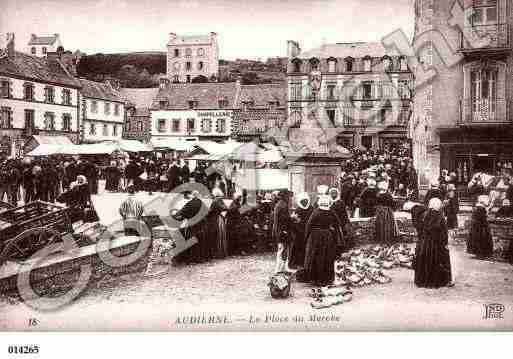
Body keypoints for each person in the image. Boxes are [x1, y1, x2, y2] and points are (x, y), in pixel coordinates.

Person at [302, 195, 344, 286]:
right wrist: (331, 230)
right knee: (326, 256)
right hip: (327, 236)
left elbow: (309, 225)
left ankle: (315, 278)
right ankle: (326, 278)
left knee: (315, 255)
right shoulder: (331, 212)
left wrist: (306, 237)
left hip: (315, 236)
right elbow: (338, 223)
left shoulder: (316, 212)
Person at [414, 198, 453, 288]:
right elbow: (443, 232)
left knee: (425, 261)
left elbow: (420, 228)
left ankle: (423, 280)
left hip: (425, 243)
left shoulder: (424, 215)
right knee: (438, 261)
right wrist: (445, 243)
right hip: (436, 243)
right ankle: (440, 281)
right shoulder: (440, 216)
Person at [172, 190, 209, 263]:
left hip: (192, 224)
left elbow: (181, 212)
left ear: (192, 195)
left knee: (192, 240)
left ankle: (193, 258)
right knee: (200, 240)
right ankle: (201, 258)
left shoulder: (190, 203)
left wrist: (174, 215)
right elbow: (207, 212)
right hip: (201, 225)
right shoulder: (202, 203)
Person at [272, 190, 294, 273]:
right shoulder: (283, 205)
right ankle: (279, 269)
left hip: (281, 231)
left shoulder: (280, 204)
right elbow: (284, 220)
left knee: (283, 249)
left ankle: (283, 267)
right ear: (285, 196)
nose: (289, 198)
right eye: (288, 196)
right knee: (282, 250)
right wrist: (292, 218)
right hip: (282, 231)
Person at [290, 192, 313, 269]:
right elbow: (294, 223)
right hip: (299, 233)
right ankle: (296, 263)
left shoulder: (311, 209)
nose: (304, 202)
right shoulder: (298, 210)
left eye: (306, 201)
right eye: (303, 201)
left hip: (308, 232)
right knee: (297, 248)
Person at [206, 188, 229, 259]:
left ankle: (216, 253)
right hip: (220, 218)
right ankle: (221, 252)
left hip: (214, 219)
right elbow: (226, 208)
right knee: (221, 235)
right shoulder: (220, 200)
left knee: (215, 236)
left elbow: (210, 211)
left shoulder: (215, 201)